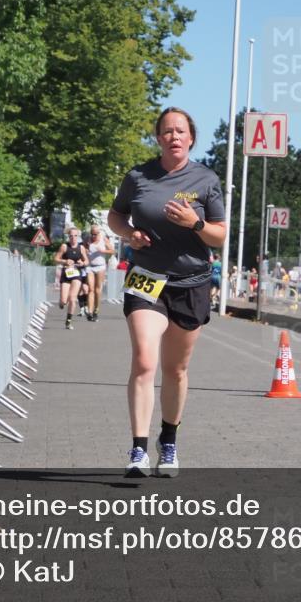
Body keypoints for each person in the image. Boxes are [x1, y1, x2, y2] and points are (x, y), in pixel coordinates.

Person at [107, 107, 226, 478]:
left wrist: (196, 223)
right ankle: (138, 449)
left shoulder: (206, 180)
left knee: (175, 369)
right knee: (145, 360)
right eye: (167, 131)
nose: (174, 136)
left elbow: (220, 236)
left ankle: (168, 440)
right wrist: (129, 235)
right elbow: (115, 216)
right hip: (147, 277)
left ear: (191, 138)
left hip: (191, 283)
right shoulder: (139, 177)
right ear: (158, 138)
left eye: (181, 131)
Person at [54, 227, 89, 330]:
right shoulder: (64, 247)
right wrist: (65, 261)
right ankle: (61, 302)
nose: (73, 238)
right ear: (68, 237)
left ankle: (68, 321)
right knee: (64, 301)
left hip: (76, 274)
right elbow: (56, 259)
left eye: (75, 236)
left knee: (73, 299)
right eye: (71, 236)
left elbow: (86, 261)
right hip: (66, 274)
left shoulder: (81, 248)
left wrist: (82, 263)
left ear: (78, 237)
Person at [85, 225, 113, 321]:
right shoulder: (88, 239)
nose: (93, 236)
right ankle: (89, 311)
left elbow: (112, 251)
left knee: (97, 289)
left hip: (100, 266)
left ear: (99, 233)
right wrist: (86, 250)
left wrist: (103, 250)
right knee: (90, 289)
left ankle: (96, 309)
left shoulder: (103, 239)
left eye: (95, 234)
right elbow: (83, 249)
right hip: (90, 267)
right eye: (92, 234)